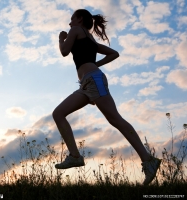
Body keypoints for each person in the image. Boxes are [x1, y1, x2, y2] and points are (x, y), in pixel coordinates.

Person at [53, 9, 161, 185]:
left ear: (79, 19)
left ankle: (148, 160)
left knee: (115, 119)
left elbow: (65, 51)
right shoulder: (90, 39)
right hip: (87, 84)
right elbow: (114, 53)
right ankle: (75, 156)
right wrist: (95, 64)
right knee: (58, 113)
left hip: (94, 81)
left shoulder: (75, 31)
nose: (69, 23)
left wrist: (61, 38)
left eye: (72, 19)